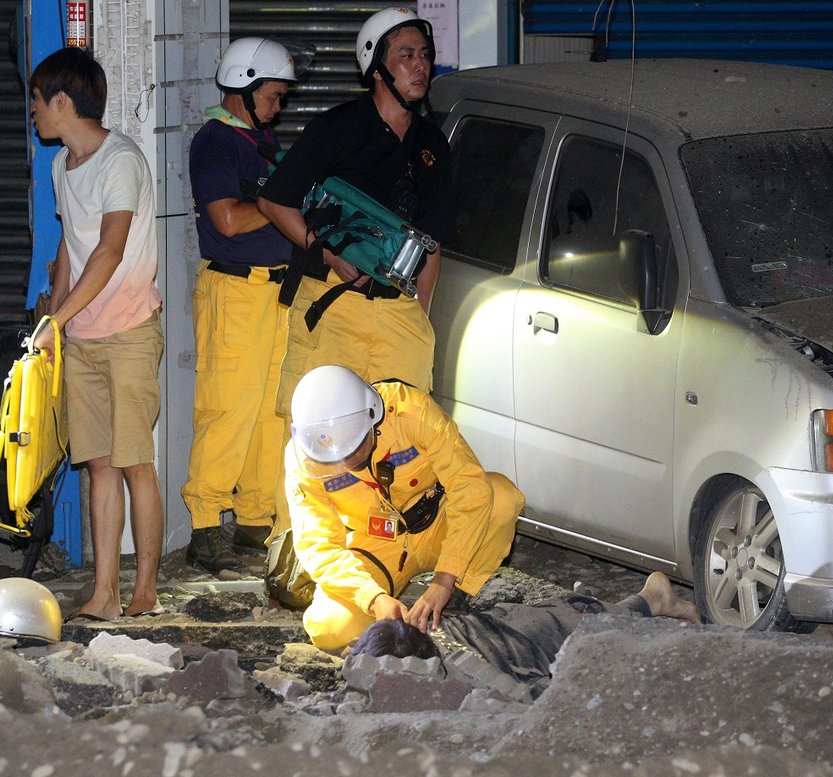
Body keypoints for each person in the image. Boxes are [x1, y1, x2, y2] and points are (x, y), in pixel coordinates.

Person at [257, 6, 453, 420]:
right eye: (406, 55)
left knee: (402, 442)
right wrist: (329, 254)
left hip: (400, 314)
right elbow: (274, 200)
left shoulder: (434, 144)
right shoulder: (338, 127)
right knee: (318, 440)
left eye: (424, 54)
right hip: (334, 306)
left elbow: (432, 244)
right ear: (377, 69)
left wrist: (420, 317)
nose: (420, 65)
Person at [30, 47, 164, 622]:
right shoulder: (62, 166)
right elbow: (71, 247)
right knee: (100, 465)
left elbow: (110, 250)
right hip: (82, 337)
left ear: (62, 102)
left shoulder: (121, 160)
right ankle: (104, 593)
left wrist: (57, 319)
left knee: (136, 464)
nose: (32, 113)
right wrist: (55, 319)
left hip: (130, 330)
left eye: (36, 101)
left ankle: (146, 589)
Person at [180, 38, 310, 575]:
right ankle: (205, 524)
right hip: (233, 291)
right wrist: (276, 200)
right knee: (227, 408)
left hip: (274, 290)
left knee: (271, 412)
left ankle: (256, 518)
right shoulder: (215, 143)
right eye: (274, 96)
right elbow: (227, 220)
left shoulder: (259, 140)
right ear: (246, 87)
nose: (279, 106)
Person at [284, 365, 524, 651]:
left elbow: (469, 487)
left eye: (353, 450)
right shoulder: (304, 459)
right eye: (335, 459)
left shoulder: (411, 411)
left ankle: (457, 594)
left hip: (438, 523)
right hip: (377, 543)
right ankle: (389, 621)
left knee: (502, 497)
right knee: (328, 626)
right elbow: (318, 545)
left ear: (373, 418)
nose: (346, 464)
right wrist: (373, 599)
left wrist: (445, 580)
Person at [349, 572, 702, 696]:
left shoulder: (470, 674)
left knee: (605, 629)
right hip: (505, 622)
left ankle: (652, 597)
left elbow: (538, 699)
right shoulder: (404, 640)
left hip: (542, 633)